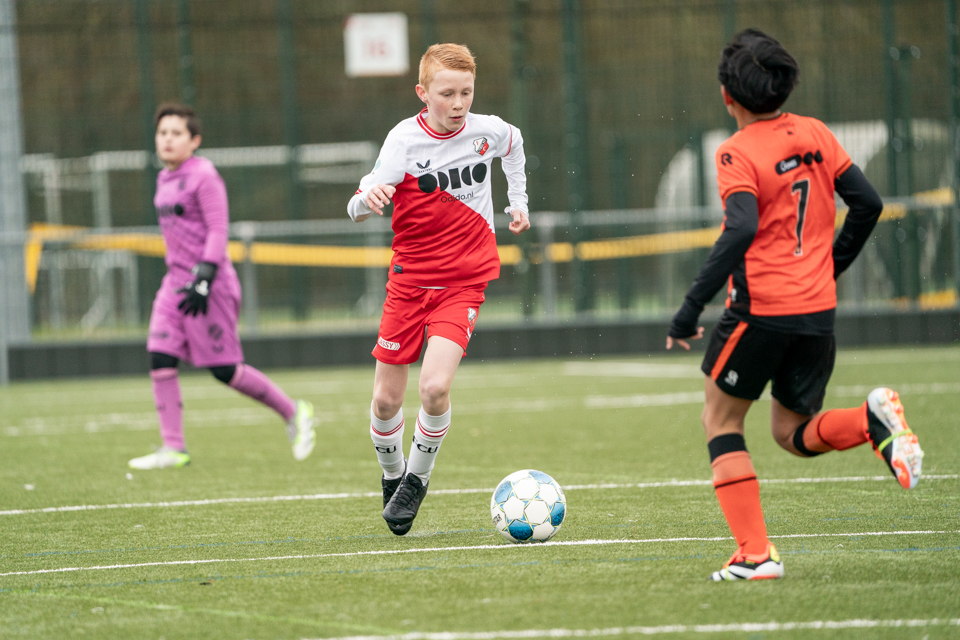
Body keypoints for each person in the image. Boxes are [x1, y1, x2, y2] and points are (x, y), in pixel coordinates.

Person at [666, 29, 924, 581]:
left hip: (760, 310)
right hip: (816, 312)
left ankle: (756, 555)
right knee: (790, 433)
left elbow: (739, 229)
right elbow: (868, 203)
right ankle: (869, 422)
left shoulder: (736, 151)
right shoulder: (815, 133)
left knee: (720, 419)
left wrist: (690, 308)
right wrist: (829, 267)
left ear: (726, 96)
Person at [347, 44, 530, 535]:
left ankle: (416, 481)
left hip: (463, 283)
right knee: (386, 402)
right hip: (408, 284)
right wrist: (370, 199)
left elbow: (513, 146)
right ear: (422, 93)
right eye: (446, 93)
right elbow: (357, 205)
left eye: (466, 92)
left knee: (434, 387)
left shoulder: (486, 130)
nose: (458, 103)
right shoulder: (402, 141)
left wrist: (518, 201)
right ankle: (392, 475)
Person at [129, 103, 315, 470]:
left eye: (176, 133)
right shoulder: (164, 178)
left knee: (225, 370)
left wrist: (205, 275)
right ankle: (173, 448)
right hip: (175, 284)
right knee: (159, 356)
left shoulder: (204, 175)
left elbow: (218, 229)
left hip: (209, 283)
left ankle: (293, 410)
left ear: (194, 140)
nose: (167, 140)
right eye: (162, 133)